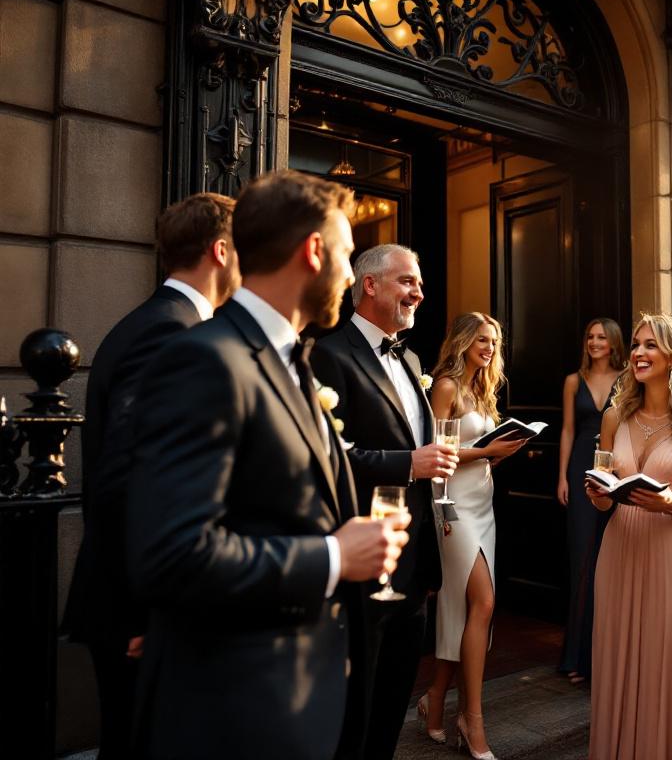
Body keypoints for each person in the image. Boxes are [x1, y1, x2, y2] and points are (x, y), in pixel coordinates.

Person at [124, 170, 408, 760]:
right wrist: (335, 556)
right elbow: (174, 554)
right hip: (238, 713)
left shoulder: (292, 359)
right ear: (313, 251)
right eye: (347, 253)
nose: (352, 274)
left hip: (307, 701)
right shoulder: (205, 361)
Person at [62, 192, 239, 759]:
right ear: (220, 250)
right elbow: (124, 479)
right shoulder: (171, 332)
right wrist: (144, 610)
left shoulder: (167, 322)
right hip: (141, 611)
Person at [310, 244, 458, 760]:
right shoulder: (329, 353)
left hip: (414, 563)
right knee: (357, 706)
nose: (418, 292)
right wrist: (408, 464)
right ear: (369, 285)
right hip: (364, 559)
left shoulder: (413, 357)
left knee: (395, 698)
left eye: (418, 284)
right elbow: (329, 457)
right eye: (407, 282)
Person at [587, 313, 672, 760]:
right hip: (619, 550)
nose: (640, 353)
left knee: (665, 668)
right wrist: (599, 494)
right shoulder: (613, 416)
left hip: (669, 554)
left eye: (651, 346)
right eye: (638, 345)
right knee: (618, 665)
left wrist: (671, 505)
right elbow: (604, 498)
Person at [417, 312, 527, 760]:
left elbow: (477, 456)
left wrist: (497, 453)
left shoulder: (483, 390)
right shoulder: (445, 386)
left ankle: (435, 699)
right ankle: (472, 719)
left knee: (464, 612)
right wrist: (485, 451)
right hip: (452, 508)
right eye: (482, 339)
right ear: (462, 340)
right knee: (482, 602)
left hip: (484, 506)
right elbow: (435, 453)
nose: (489, 347)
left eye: (495, 341)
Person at [556, 317, 625, 685]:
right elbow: (567, 430)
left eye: (601, 337)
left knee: (609, 559)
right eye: (590, 336)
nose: (594, 342)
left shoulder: (628, 377)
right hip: (582, 465)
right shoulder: (572, 381)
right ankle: (577, 657)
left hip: (615, 468)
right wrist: (563, 476)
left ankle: (605, 656)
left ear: (613, 343)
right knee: (582, 557)